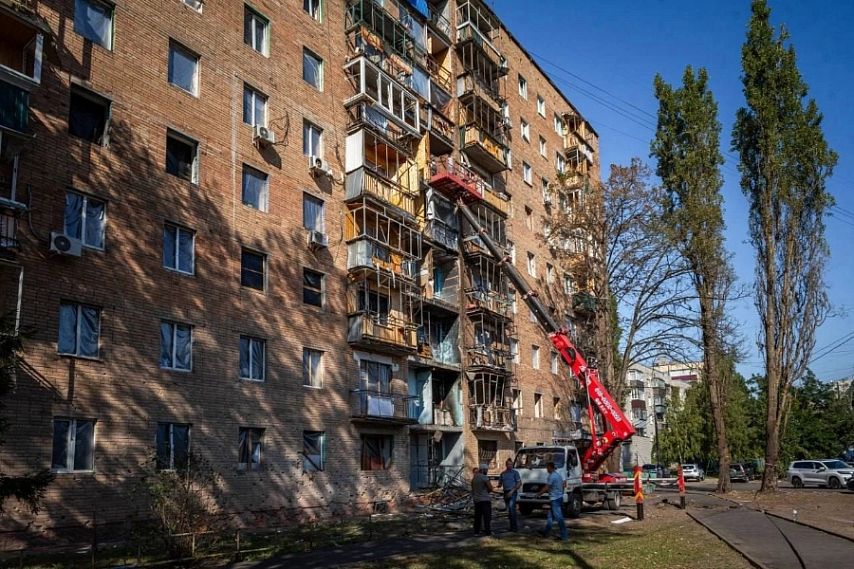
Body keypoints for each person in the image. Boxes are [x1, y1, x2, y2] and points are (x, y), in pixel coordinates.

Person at [535, 461, 567, 541]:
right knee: (550, 516)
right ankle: (546, 532)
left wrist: (539, 494)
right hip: (559, 497)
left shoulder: (552, 476)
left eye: (547, 468)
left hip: (555, 499)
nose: (547, 469)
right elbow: (563, 485)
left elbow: (547, 487)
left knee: (559, 517)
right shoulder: (558, 475)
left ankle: (564, 536)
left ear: (550, 467)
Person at [498, 458, 522, 531]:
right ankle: (511, 527)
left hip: (513, 492)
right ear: (506, 465)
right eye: (508, 464)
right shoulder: (503, 474)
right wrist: (498, 485)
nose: (510, 466)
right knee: (509, 510)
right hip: (505, 492)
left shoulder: (515, 473)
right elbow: (500, 483)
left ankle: (514, 528)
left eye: (511, 464)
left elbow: (519, 483)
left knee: (512, 509)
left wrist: (512, 491)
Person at [471, 464, 494, 536]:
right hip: (485, 500)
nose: (487, 471)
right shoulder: (484, 477)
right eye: (486, 470)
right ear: (483, 470)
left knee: (477, 516)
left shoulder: (474, 478)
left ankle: (476, 532)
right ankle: (488, 532)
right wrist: (487, 490)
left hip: (477, 500)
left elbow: (473, 489)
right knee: (487, 517)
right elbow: (490, 488)